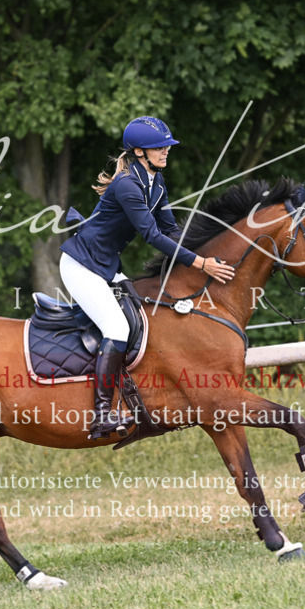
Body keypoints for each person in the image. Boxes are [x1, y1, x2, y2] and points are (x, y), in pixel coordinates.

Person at [60, 116, 235, 439]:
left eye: (167, 145)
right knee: (116, 327)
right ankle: (101, 415)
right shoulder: (127, 184)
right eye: (159, 147)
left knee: (146, 316)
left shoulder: (155, 181)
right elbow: (152, 235)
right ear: (139, 152)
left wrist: (207, 249)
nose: (166, 151)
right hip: (81, 266)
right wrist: (199, 263)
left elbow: (170, 229)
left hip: (106, 265)